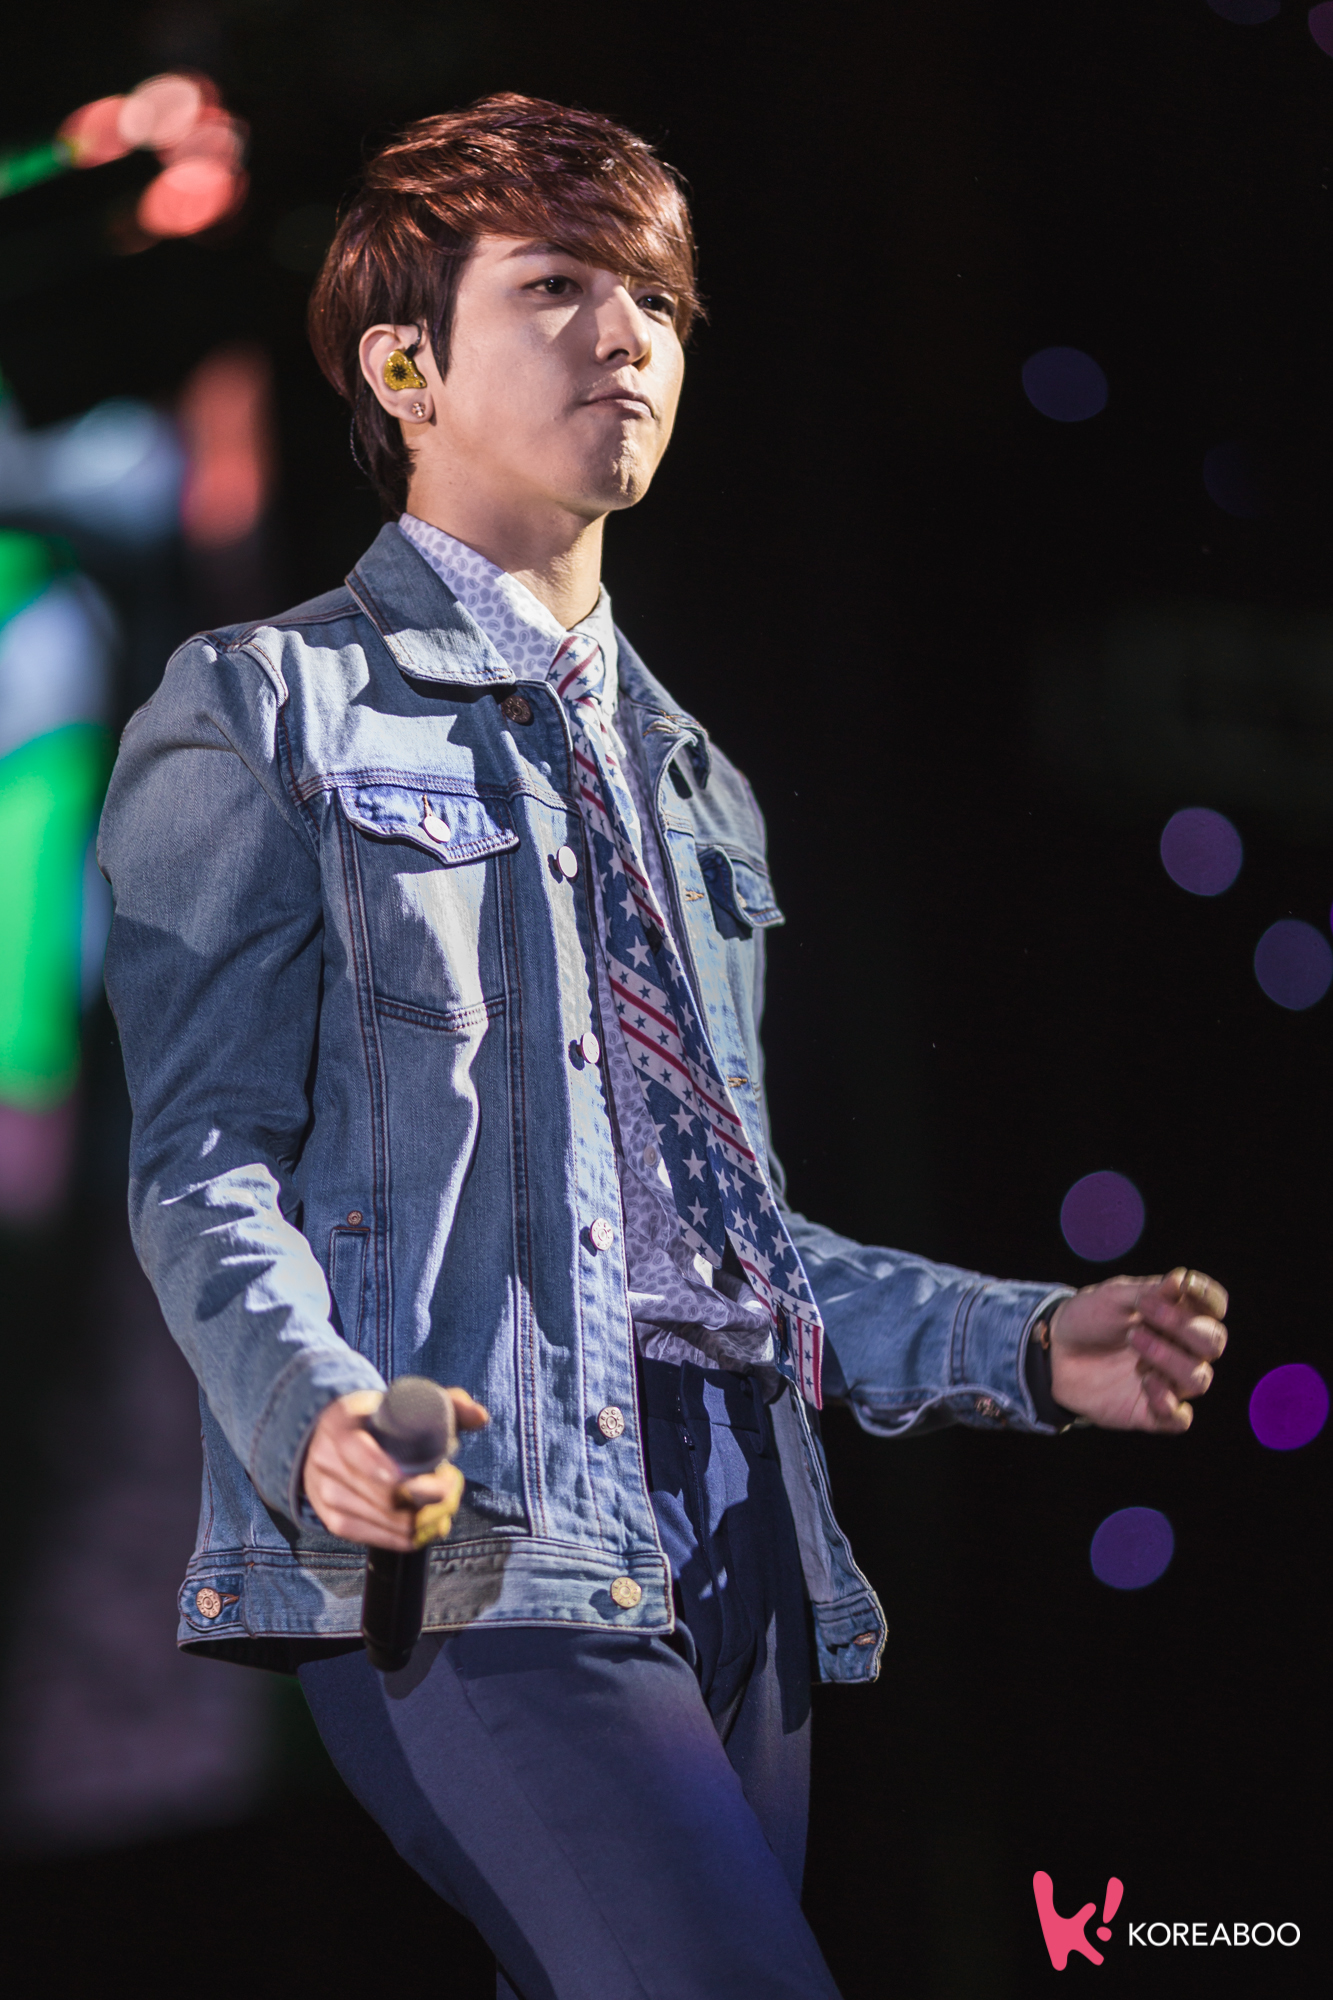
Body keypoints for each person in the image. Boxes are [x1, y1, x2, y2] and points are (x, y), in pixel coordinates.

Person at [99, 92, 1229, 1999]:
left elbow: (725, 1243)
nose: (625, 335)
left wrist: (1025, 1345)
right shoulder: (266, 704)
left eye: (657, 301)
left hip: (745, 1539)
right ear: (404, 367)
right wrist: (317, 1420)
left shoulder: (694, 778)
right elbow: (201, 1162)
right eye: (555, 287)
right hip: (482, 1530)